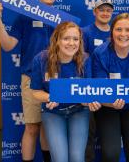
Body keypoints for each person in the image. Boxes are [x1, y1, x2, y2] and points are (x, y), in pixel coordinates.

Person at [0, 0, 58, 162]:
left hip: (56, 80)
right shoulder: (25, 17)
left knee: (48, 127)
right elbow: (8, 45)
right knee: (32, 127)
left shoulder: (60, 20)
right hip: (31, 78)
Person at [30, 21, 101, 162]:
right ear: (57, 40)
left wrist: (91, 101)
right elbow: (35, 92)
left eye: (75, 39)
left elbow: (89, 92)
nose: (71, 43)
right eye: (66, 38)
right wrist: (51, 96)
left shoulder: (85, 59)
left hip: (79, 111)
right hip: (53, 113)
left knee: (76, 158)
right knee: (60, 158)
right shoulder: (41, 59)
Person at [92, 13, 129, 162]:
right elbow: (100, 91)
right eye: (118, 29)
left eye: (128, 30)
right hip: (108, 106)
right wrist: (110, 102)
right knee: (110, 154)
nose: (123, 34)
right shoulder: (100, 53)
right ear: (112, 32)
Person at [82, 0, 114, 162]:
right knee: (89, 133)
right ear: (95, 12)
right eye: (101, 10)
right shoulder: (85, 32)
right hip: (92, 90)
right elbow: (81, 61)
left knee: (109, 135)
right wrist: (88, 90)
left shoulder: (116, 32)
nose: (105, 13)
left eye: (108, 10)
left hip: (112, 91)